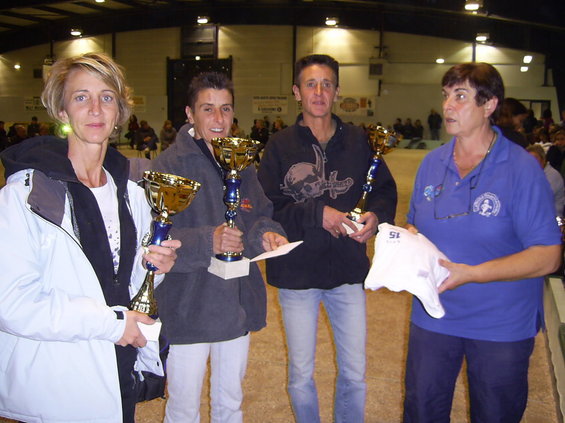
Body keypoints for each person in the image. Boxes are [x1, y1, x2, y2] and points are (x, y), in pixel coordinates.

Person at [0, 52, 181, 423]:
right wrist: (112, 324)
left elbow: (130, 281)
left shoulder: (132, 192)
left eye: (107, 97)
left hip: (119, 371)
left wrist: (156, 267)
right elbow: (12, 303)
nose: (96, 109)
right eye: (81, 97)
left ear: (119, 113)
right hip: (59, 381)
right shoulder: (25, 196)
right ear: (62, 111)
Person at [403, 62, 561, 423]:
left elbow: (549, 256)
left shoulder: (521, 169)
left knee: (495, 414)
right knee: (421, 409)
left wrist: (472, 273)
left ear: (489, 105)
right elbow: (416, 225)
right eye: (446, 96)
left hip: (500, 323)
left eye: (460, 96)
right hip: (434, 314)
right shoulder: (432, 163)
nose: (448, 106)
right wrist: (405, 243)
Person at [130, 71, 288, 423]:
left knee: (230, 402)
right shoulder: (168, 165)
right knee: (183, 408)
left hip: (236, 302)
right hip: (189, 304)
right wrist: (207, 240)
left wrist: (266, 233)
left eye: (226, 109)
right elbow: (153, 239)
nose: (218, 119)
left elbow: (258, 212)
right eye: (208, 109)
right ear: (190, 114)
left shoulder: (242, 161)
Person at [257, 54, 397, 423]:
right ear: (296, 92)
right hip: (297, 275)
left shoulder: (359, 141)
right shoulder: (279, 145)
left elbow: (383, 190)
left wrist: (376, 216)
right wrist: (317, 213)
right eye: (310, 84)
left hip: (347, 273)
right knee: (301, 376)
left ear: (336, 91)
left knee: (355, 374)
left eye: (326, 84)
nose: (319, 92)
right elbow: (267, 208)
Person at [527, 144, 565, 219]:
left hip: (551, 218)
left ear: (543, 160)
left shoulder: (552, 175)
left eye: (534, 159)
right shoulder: (532, 173)